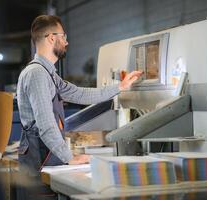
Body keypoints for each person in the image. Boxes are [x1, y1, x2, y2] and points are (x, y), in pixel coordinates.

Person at [16, 15, 142, 199]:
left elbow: (79, 94)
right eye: (64, 36)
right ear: (52, 38)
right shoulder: (37, 74)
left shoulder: (47, 73)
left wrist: (120, 87)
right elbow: (45, 123)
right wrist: (69, 157)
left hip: (45, 157)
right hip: (39, 160)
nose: (66, 42)